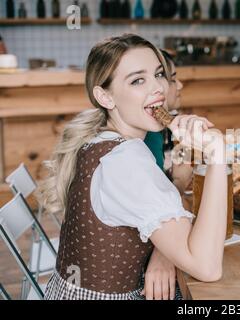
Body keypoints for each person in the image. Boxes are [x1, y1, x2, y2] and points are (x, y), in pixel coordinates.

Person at [39, 34, 227, 300]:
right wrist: (218, 154)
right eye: (138, 80)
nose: (158, 89)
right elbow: (207, 267)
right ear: (105, 97)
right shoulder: (126, 161)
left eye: (159, 74)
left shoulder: (101, 140)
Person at [140, 50, 194, 300]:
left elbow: (158, 199)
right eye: (172, 77)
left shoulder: (153, 131)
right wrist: (164, 254)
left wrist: (177, 184)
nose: (179, 84)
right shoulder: (144, 135)